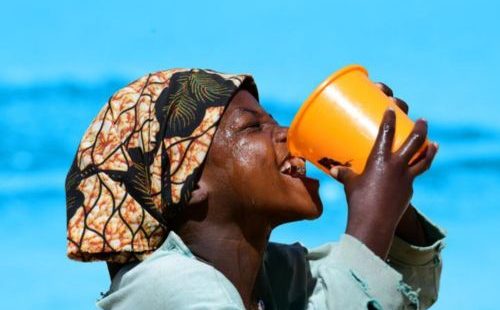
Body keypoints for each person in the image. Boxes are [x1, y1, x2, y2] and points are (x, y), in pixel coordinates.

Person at [65, 68, 445, 309]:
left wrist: (380, 176)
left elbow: (403, 289)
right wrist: (369, 218)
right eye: (252, 127)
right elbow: (358, 284)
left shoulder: (267, 278)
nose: (287, 135)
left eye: (274, 121)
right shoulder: (168, 286)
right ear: (190, 182)